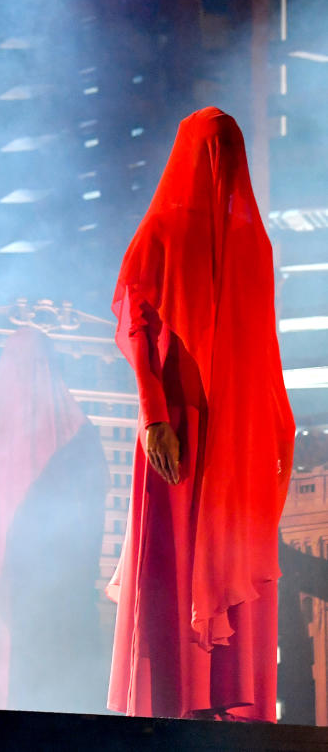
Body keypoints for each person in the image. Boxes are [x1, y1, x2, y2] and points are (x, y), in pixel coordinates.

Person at [107, 107, 295, 721]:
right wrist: (155, 415)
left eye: (228, 153)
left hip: (225, 438)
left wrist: (272, 437)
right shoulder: (164, 232)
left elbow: (263, 351)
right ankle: (173, 708)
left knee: (208, 561)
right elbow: (135, 324)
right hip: (184, 433)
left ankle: (221, 707)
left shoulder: (249, 246)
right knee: (177, 565)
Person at [0, 328, 108, 713]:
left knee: (2, 675)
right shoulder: (78, 431)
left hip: (4, 577)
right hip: (50, 584)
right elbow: (94, 506)